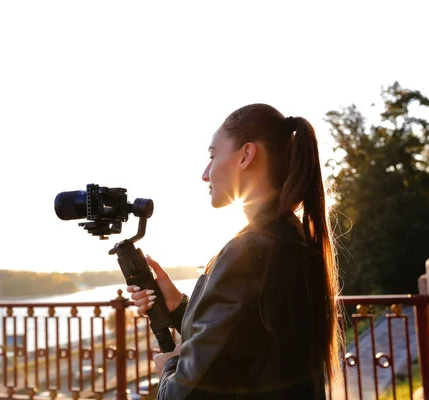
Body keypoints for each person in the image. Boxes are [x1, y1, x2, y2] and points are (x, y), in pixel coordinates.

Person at [127, 103, 341, 399]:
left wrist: (169, 367)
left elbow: (188, 394)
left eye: (213, 155)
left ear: (246, 155)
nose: (205, 173)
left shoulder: (249, 251)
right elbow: (247, 344)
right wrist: (177, 306)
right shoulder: (294, 238)